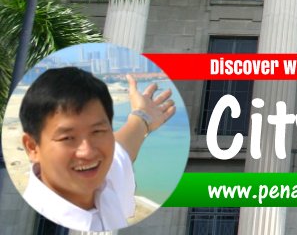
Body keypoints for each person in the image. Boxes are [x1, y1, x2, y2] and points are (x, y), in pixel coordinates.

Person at [18, 67, 177, 231]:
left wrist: (142, 116)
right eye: (67, 138)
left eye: (97, 131)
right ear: (32, 147)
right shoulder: (42, 220)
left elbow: (122, 150)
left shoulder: (106, 182)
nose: (87, 152)